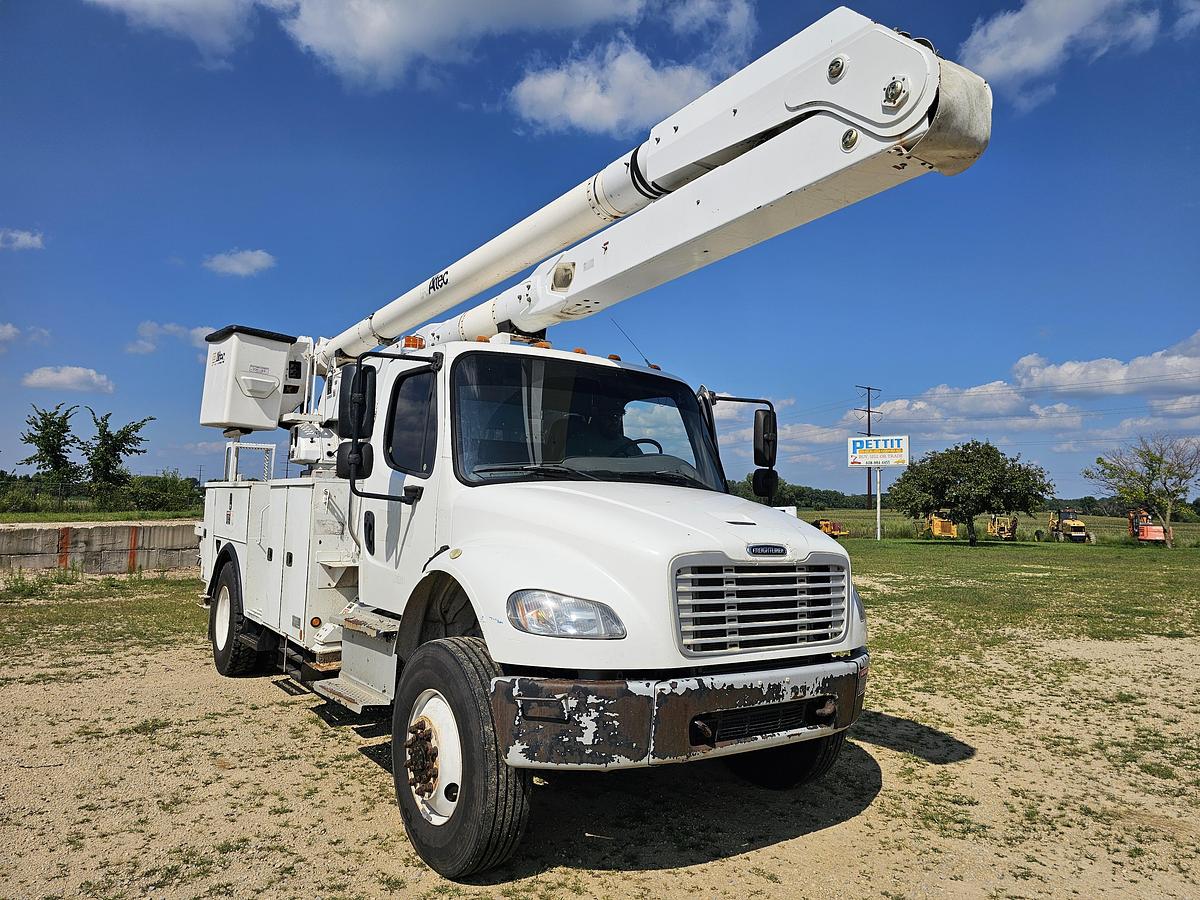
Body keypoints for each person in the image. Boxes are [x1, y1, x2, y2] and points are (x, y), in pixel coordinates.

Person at [565, 394, 642, 459]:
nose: (614, 421)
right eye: (609, 416)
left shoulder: (630, 445)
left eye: (618, 416)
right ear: (598, 417)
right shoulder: (579, 443)